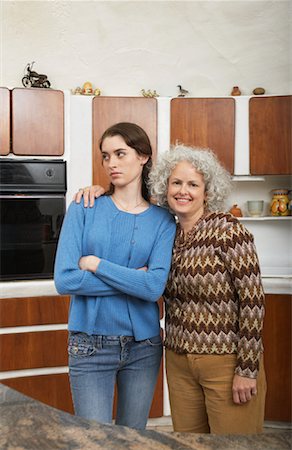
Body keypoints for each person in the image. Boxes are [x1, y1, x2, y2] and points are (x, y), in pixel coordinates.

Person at [75, 144, 266, 435]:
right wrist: (100, 190)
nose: (183, 191)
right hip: (178, 362)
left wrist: (247, 369)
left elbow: (253, 303)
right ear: (165, 187)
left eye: (193, 184)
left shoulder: (228, 231)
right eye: (176, 182)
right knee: (189, 442)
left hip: (226, 362)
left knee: (234, 444)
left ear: (207, 190)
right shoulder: (166, 232)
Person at [54, 122, 176, 430]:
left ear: (143, 156)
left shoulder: (163, 220)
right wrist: (133, 280)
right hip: (89, 345)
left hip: (143, 347)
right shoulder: (85, 207)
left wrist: (96, 264)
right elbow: (65, 280)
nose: (112, 164)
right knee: (93, 441)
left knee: (131, 439)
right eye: (106, 156)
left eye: (120, 154)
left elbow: (152, 288)